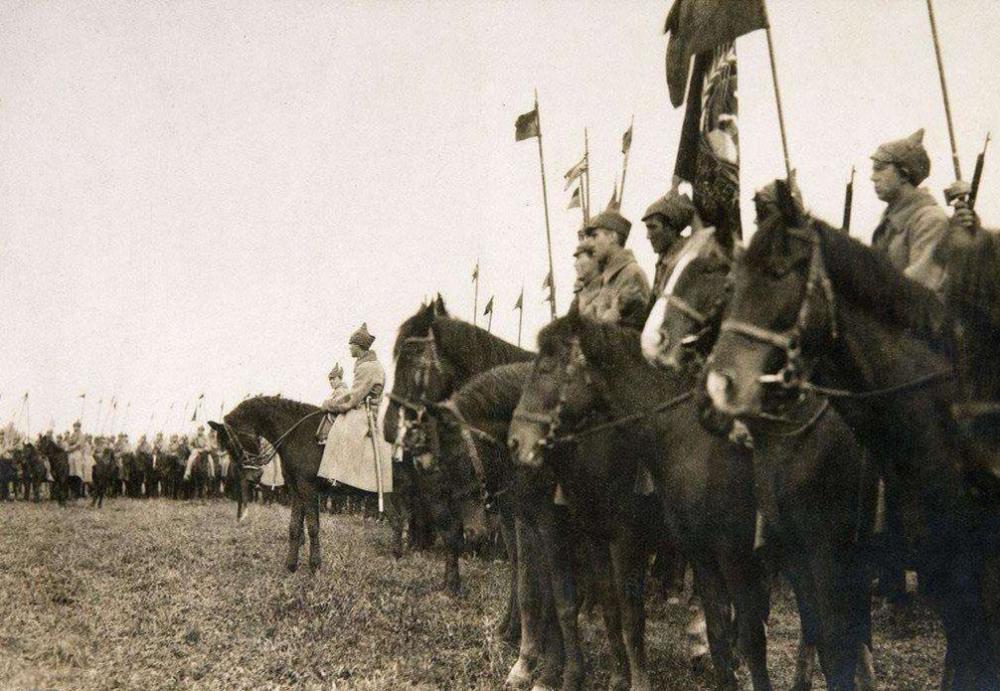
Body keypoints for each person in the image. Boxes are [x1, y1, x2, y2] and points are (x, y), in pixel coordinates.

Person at [870, 129, 950, 293]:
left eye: (879, 168)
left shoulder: (930, 220)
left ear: (904, 175)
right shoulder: (890, 220)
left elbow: (917, 288)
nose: (873, 177)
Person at [317, 323, 393, 494]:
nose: (349, 348)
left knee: (340, 427)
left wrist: (328, 405)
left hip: (367, 412)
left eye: (351, 344)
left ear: (359, 346)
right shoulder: (367, 365)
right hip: (365, 407)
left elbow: (352, 398)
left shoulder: (368, 368)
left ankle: (337, 474)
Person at [578, 209, 651, 330]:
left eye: (595, 236)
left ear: (612, 236)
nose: (591, 244)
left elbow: (634, 332)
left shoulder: (631, 274)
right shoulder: (609, 277)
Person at [642, 189, 696, 300]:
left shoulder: (684, 260)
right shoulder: (664, 259)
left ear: (671, 228)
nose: (648, 236)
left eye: (653, 227)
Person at [317, 362, 350, 444]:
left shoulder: (342, 391)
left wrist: (326, 404)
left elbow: (337, 405)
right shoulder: (336, 391)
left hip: (339, 423)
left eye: (333, 379)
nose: (331, 381)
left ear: (340, 378)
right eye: (330, 379)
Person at [570, 242, 601, 314]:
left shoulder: (607, 286)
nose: (575, 264)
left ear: (594, 258)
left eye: (579, 258)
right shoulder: (582, 291)